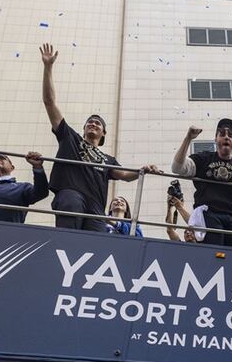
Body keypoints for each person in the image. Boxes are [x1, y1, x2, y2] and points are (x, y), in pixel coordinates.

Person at [40, 43, 160, 231]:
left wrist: (142, 170)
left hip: (96, 206)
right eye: (90, 122)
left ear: (103, 133)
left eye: (98, 123)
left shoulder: (108, 159)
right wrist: (48, 67)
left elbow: (126, 176)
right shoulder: (70, 137)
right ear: (84, 127)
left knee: (97, 240)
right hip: (71, 194)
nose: (93, 124)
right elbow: (49, 103)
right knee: (70, 221)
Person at [170, 119, 232, 247]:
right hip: (209, 214)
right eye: (222, 134)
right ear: (215, 139)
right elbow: (176, 168)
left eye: (230, 135)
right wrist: (188, 138)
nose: (226, 137)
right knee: (213, 253)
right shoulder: (203, 159)